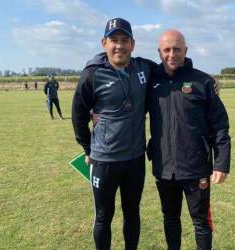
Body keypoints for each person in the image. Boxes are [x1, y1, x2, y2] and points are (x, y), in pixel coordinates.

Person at [72, 18, 219, 250]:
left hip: (135, 160)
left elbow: (172, 64)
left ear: (133, 43)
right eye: (113, 40)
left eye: (124, 40)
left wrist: (206, 80)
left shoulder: (145, 68)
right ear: (104, 43)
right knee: (103, 217)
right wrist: (87, 148)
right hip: (103, 160)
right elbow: (78, 114)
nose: (119, 46)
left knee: (132, 214)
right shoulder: (92, 73)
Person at [146, 30, 231, 250]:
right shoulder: (150, 81)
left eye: (176, 48)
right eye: (166, 49)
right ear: (159, 52)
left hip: (196, 167)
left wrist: (221, 163)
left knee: (201, 222)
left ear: (186, 50)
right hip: (163, 167)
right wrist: (97, 111)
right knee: (170, 219)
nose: (171, 54)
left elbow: (220, 126)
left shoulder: (202, 81)